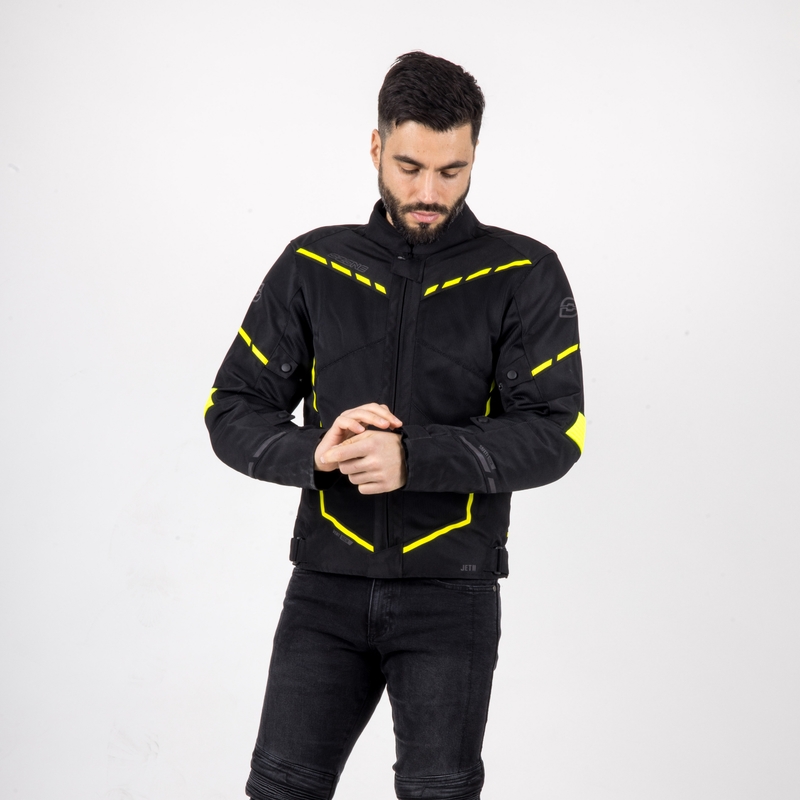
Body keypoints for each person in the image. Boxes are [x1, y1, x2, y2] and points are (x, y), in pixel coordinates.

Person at [205, 51, 584, 800]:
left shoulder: (524, 273)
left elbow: (556, 432)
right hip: (324, 588)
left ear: (474, 153)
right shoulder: (314, 263)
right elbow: (231, 407)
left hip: (453, 595)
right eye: (410, 167)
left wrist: (415, 457)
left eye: (452, 170)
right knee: (280, 791)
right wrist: (315, 450)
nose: (429, 192)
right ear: (376, 146)